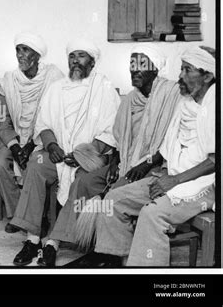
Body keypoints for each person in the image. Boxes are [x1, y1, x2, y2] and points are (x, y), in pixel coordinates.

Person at [67, 45, 216, 267]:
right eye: (181, 69)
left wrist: (173, 181)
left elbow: (215, 160)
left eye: (187, 70)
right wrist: (161, 173)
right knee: (115, 199)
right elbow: (166, 148)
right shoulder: (186, 102)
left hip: (203, 184)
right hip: (172, 175)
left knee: (151, 214)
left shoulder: (215, 105)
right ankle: (116, 260)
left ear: (208, 76)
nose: (180, 76)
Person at [39, 44, 181, 266]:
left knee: (115, 193)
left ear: (156, 69)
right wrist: (115, 162)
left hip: (156, 166)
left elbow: (170, 143)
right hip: (126, 162)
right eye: (132, 64)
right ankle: (66, 240)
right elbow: (118, 140)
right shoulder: (129, 100)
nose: (134, 70)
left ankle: (107, 254)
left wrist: (145, 164)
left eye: (141, 64)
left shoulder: (171, 96)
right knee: (85, 181)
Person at [10, 39, 121, 266]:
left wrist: (82, 154)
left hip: (89, 157)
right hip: (58, 154)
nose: (76, 61)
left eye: (81, 56)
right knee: (36, 163)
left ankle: (53, 243)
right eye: (72, 56)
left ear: (92, 61)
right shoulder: (57, 87)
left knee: (82, 180)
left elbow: (113, 130)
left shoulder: (104, 87)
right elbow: (43, 124)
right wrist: (51, 146)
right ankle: (32, 239)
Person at [0, 33, 63, 233]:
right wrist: (15, 147)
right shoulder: (8, 81)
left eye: (26, 50)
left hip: (43, 139)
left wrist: (32, 143)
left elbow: (57, 119)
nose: (20, 55)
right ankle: (17, 215)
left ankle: (40, 217)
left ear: (38, 55)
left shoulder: (53, 78)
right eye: (18, 50)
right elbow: (3, 122)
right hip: (14, 138)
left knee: (35, 163)